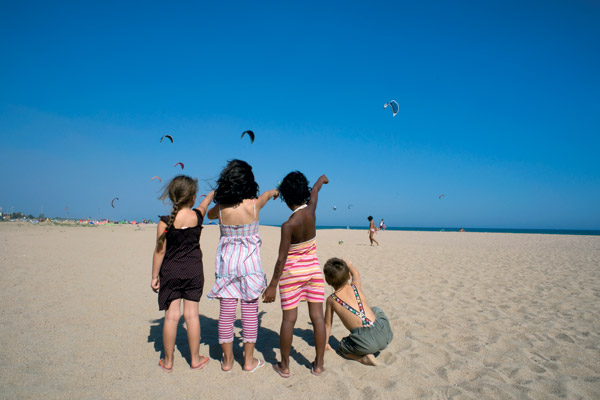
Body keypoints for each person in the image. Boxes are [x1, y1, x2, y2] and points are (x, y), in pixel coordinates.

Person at [206, 159, 279, 373]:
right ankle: (248, 361)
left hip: (227, 269)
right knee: (249, 314)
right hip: (250, 269)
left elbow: (208, 214)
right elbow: (270, 193)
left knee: (226, 316)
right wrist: (276, 191)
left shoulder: (220, 209)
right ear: (248, 183)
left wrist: (215, 197)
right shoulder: (255, 204)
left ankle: (227, 361)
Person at [263, 172, 329, 378]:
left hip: (292, 275)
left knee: (289, 320)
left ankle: (284, 366)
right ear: (304, 191)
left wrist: (273, 285)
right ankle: (318, 365)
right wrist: (322, 180)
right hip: (313, 272)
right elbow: (316, 190)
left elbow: (281, 258)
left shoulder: (288, 225)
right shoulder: (311, 210)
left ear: (285, 199)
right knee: (318, 317)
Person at [151, 175, 214, 373]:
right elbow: (205, 205)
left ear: (172, 196)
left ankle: (168, 361)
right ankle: (195, 359)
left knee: (171, 316)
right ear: (193, 197)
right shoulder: (197, 216)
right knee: (192, 315)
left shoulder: (165, 222)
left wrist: (154, 276)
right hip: (194, 271)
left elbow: (160, 251)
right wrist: (212, 193)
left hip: (171, 272)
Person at [323, 258, 393, 366]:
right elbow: (356, 273)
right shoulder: (355, 286)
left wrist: (326, 343)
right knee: (375, 310)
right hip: (385, 333)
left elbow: (327, 324)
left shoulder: (331, 300)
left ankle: (363, 358)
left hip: (365, 343)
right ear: (349, 276)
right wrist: (348, 264)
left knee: (342, 347)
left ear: (328, 282)